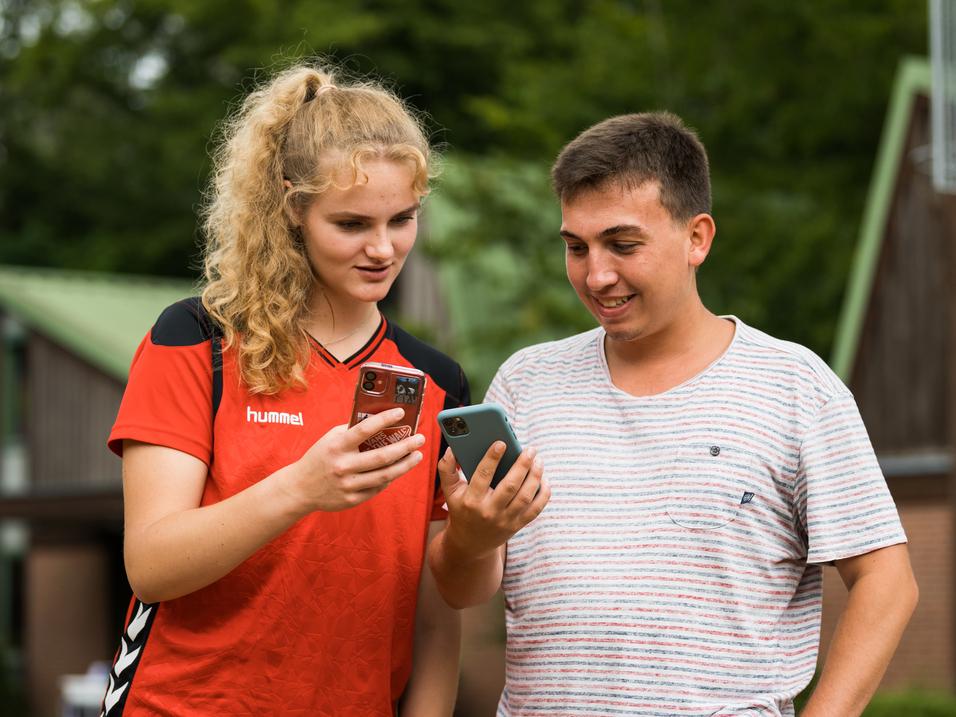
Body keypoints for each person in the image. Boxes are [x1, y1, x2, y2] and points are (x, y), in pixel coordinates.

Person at [428, 112, 918, 716]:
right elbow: (461, 589)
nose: (596, 274)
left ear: (698, 238)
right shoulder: (526, 382)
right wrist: (471, 538)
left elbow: (887, 584)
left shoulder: (795, 387)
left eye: (623, 244)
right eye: (576, 247)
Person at [103, 63, 468, 716]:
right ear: (292, 206)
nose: (384, 248)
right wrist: (302, 488)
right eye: (352, 224)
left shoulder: (438, 383)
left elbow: (437, 623)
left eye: (403, 219)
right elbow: (150, 564)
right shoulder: (195, 339)